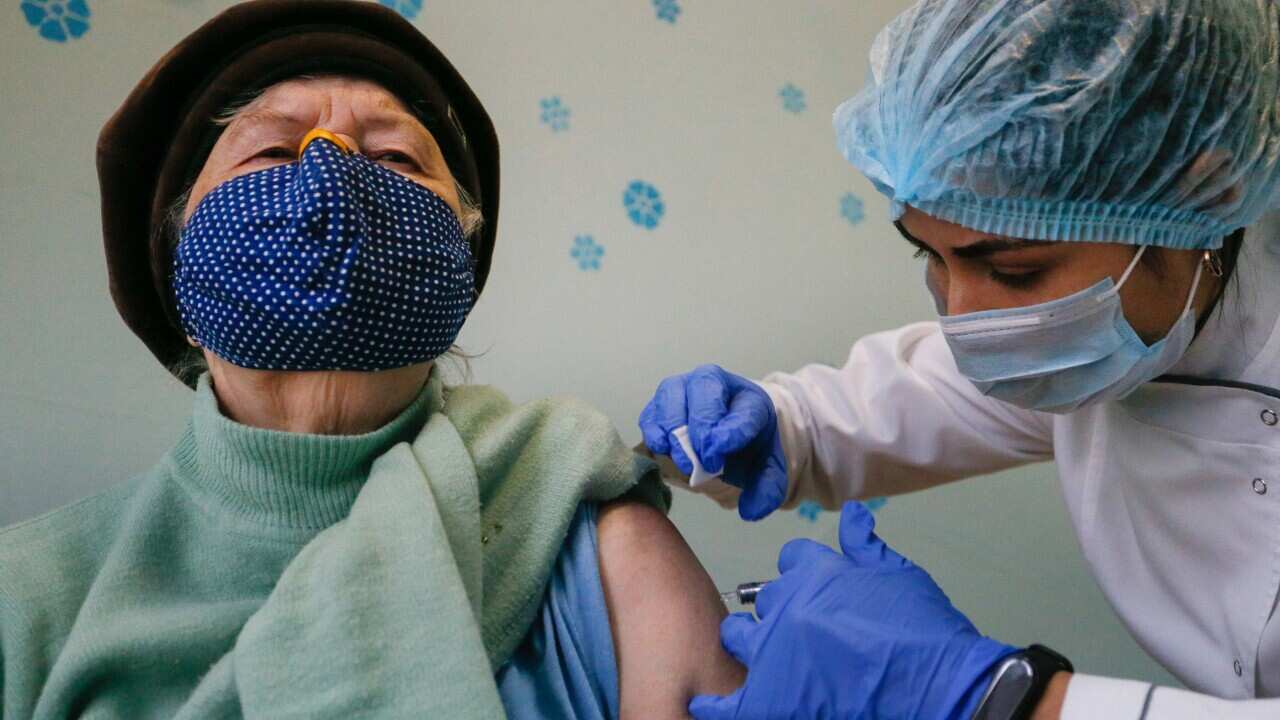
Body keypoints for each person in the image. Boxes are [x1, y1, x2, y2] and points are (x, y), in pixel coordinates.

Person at [0, 2, 742, 718]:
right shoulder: (28, 598)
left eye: (395, 157)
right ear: (179, 272)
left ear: (456, 259)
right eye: (272, 150)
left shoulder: (576, 517)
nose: (333, 171)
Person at [640, 0, 1280, 717]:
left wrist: (1010, 701)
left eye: (1013, 271)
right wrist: (784, 428)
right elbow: (921, 396)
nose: (963, 318)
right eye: (930, 256)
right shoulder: (1127, 334)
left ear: (1211, 189)